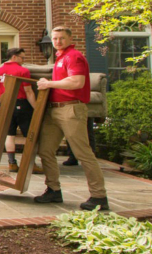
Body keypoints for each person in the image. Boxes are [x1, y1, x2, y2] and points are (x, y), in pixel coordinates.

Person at [34, 26, 109, 211]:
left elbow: (77, 82)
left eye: (61, 38)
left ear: (69, 38)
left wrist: (48, 83)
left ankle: (99, 196)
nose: (57, 42)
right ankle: (53, 190)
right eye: (55, 38)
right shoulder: (60, 58)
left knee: (83, 153)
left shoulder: (74, 56)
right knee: (45, 151)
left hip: (71, 110)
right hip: (54, 111)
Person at [0, 47, 41, 174]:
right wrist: (37, 108)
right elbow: (28, 91)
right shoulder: (22, 71)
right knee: (29, 136)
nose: (23, 61)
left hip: (5, 105)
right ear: (14, 57)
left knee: (10, 135)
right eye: (22, 58)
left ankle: (12, 163)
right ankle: (31, 164)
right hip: (21, 105)